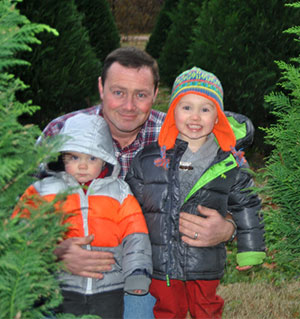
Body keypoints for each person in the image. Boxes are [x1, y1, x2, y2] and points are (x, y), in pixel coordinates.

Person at [40, 47, 239, 318]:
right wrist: (55, 249)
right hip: (71, 273)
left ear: (156, 94)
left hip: (144, 274)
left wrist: (228, 228)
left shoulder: (180, 135)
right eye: (118, 92)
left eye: (141, 95)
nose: (129, 106)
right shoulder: (62, 133)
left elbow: (237, 187)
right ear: (101, 87)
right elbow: (22, 211)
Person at [125, 67, 266, 319]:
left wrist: (249, 248)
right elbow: (128, 207)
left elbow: (247, 204)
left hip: (204, 260)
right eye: (186, 107)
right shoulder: (148, 159)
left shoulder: (230, 161)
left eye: (205, 109)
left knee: (207, 308)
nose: (195, 117)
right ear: (172, 113)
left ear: (217, 117)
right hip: (162, 261)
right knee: (168, 310)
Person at [14, 113, 152, 318]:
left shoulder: (120, 192)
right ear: (61, 156)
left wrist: (137, 273)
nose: (83, 165)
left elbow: (136, 234)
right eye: (74, 157)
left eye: (92, 158)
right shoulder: (43, 190)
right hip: (62, 285)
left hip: (110, 286)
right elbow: (21, 230)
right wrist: (49, 253)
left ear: (105, 159)